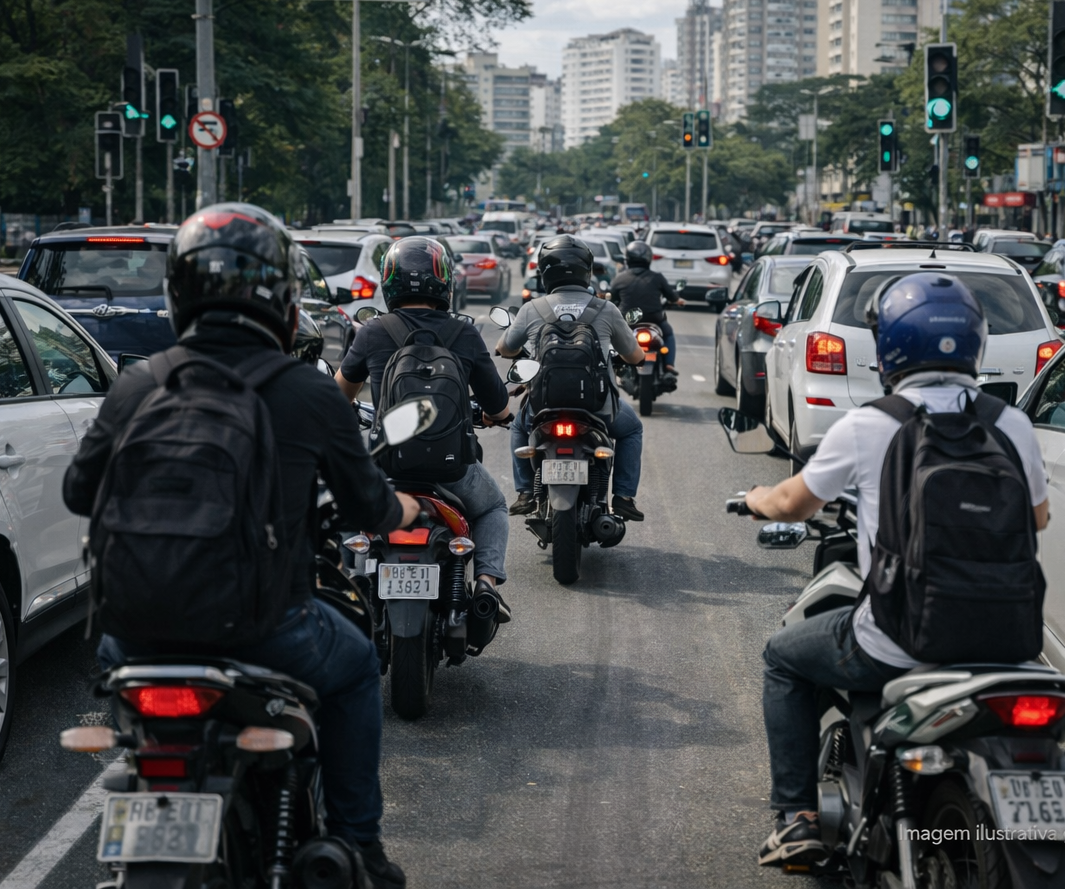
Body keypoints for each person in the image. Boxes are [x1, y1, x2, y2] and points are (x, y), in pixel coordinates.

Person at [63, 204, 417, 889]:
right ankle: (357, 844)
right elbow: (369, 506)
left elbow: (82, 494)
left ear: (180, 292)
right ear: (282, 299)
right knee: (355, 670)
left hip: (132, 637)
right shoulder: (309, 391)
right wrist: (402, 507)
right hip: (264, 630)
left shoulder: (140, 381)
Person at [742, 273, 1049, 869]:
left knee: (782, 657)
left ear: (890, 349)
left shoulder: (867, 425)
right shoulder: (1011, 423)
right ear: (975, 342)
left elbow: (791, 504)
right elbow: (1038, 517)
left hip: (900, 640)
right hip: (1008, 644)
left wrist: (756, 497)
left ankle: (798, 818)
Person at [335, 236, 515, 620]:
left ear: (389, 281)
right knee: (494, 507)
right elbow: (499, 404)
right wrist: (497, 417)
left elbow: (338, 396)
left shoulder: (372, 331)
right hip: (452, 468)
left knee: (344, 505)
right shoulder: (464, 334)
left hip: (387, 465)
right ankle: (486, 584)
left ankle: (348, 582)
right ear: (444, 280)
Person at [499, 234, 647, 521]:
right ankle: (624, 497)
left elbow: (506, 347)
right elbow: (634, 355)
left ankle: (526, 492)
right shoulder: (606, 309)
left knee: (518, 427)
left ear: (544, 273)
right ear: (587, 272)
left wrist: (507, 350)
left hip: (542, 407)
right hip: (599, 408)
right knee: (632, 430)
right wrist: (633, 359)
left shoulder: (532, 309)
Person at [609, 240, 686, 373]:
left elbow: (612, 301)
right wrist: (678, 300)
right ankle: (669, 364)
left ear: (628, 258)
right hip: (654, 318)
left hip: (628, 321)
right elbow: (672, 296)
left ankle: (612, 364)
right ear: (648, 258)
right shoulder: (657, 278)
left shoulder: (619, 278)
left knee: (612, 336)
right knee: (668, 334)